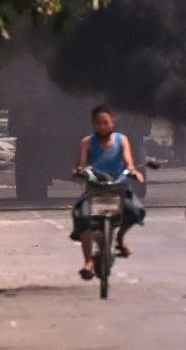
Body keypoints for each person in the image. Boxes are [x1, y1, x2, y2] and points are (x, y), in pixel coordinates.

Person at [71, 104, 145, 281]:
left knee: (135, 211)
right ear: (93, 124)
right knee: (83, 217)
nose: (102, 126)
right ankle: (88, 262)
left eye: (105, 122)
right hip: (95, 190)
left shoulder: (121, 140)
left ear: (113, 122)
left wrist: (133, 171)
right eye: (98, 123)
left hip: (117, 188)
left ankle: (119, 238)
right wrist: (79, 171)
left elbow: (128, 161)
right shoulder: (87, 142)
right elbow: (82, 164)